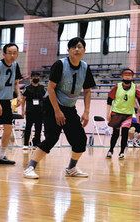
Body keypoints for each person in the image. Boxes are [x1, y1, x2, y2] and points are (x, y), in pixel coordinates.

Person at [23, 37, 94, 179]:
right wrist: (57, 111)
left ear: (84, 50)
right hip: (51, 105)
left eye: (80, 47)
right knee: (52, 138)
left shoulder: (85, 67)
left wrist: (86, 112)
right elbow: (50, 88)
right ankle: (30, 167)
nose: (77, 49)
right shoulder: (60, 64)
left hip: (69, 107)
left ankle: (71, 168)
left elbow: (87, 90)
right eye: (73, 47)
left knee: (80, 140)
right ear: (68, 50)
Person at [0, 43, 23, 166]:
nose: (12, 55)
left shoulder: (16, 65)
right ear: (4, 54)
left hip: (7, 100)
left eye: (15, 53)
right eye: (10, 53)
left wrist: (19, 95)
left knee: (8, 128)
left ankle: (1, 155)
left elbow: (16, 83)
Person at [106, 68, 140, 159]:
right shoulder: (117, 86)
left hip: (128, 115)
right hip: (116, 113)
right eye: (125, 75)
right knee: (115, 133)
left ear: (132, 77)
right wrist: (108, 113)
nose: (127, 77)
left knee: (125, 132)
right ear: (122, 76)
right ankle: (111, 150)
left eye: (129, 75)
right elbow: (109, 100)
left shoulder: (135, 88)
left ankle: (122, 152)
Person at [22, 73, 46, 150]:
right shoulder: (27, 88)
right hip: (30, 110)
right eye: (34, 77)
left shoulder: (42, 88)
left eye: (37, 77)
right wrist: (23, 110)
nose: (36, 78)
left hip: (40, 111)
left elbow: (45, 99)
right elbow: (23, 99)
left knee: (38, 128)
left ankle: (36, 143)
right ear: (31, 78)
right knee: (28, 127)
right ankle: (26, 144)